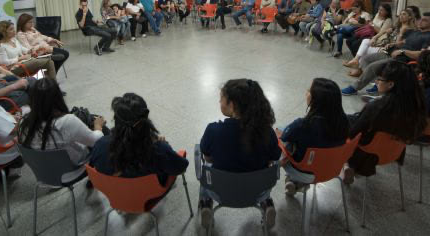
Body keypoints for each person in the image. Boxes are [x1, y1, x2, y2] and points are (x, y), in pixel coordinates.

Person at [198, 79, 280, 229]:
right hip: (257, 191)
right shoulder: (267, 132)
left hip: (220, 191)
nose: (219, 101)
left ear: (232, 105)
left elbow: (207, 157)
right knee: (263, 172)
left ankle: (206, 205)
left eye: (222, 98)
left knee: (206, 170)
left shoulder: (213, 131)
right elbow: (274, 158)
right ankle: (266, 204)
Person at [343, 61, 427, 182]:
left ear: (391, 84)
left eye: (380, 79)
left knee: (340, 123)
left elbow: (353, 133)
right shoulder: (417, 105)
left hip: (365, 155)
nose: (377, 82)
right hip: (393, 153)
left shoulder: (378, 107)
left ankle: (347, 165)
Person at [90, 93, 188, 187]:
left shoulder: (100, 145)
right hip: (151, 193)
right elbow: (180, 169)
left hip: (115, 194)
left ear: (116, 120)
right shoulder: (159, 150)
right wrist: (165, 145)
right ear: (145, 122)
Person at [18, 78, 105, 183]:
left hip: (43, 173)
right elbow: (96, 141)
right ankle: (105, 177)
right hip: (72, 171)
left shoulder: (24, 122)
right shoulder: (66, 122)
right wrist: (98, 126)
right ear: (58, 97)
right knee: (105, 137)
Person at [279, 78, 349, 195]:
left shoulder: (302, 125)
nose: (306, 92)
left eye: (309, 90)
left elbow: (283, 139)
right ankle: (295, 183)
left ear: (315, 99)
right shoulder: (345, 122)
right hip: (332, 169)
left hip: (304, 172)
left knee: (282, 135)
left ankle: (294, 180)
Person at [341, 12, 430, 96]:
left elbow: (422, 54)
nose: (421, 21)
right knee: (365, 59)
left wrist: (403, 51)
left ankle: (354, 88)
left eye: (425, 20)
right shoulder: (415, 32)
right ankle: (378, 84)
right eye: (421, 19)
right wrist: (393, 44)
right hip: (394, 53)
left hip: (403, 60)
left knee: (372, 67)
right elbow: (404, 42)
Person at [343, 7, 415, 70]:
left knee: (365, 48)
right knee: (365, 43)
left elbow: (399, 45)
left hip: (390, 51)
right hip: (384, 46)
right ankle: (357, 63)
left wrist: (401, 33)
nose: (401, 16)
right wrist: (375, 38)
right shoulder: (397, 27)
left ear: (410, 17)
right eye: (401, 14)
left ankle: (358, 66)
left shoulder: (409, 30)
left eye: (404, 14)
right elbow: (383, 31)